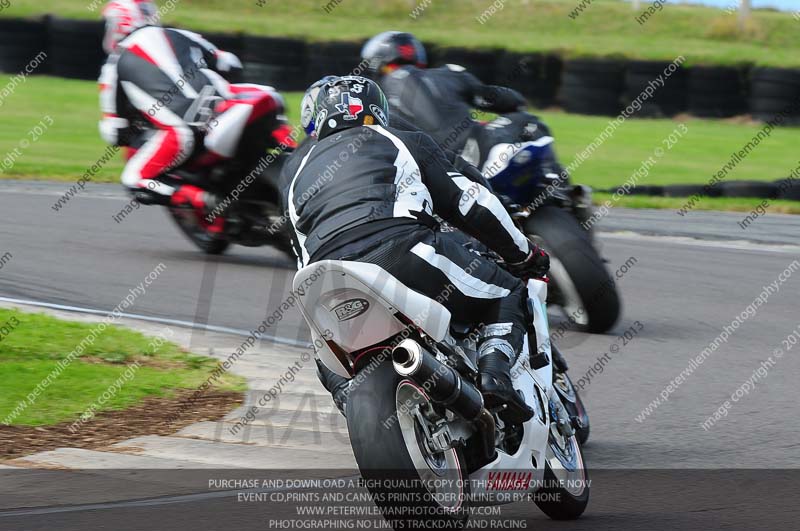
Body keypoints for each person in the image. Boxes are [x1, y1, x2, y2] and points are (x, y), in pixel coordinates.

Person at [284, 76, 550, 423]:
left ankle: (351, 401)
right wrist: (525, 255)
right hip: (401, 249)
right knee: (507, 292)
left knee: (323, 346)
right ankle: (494, 377)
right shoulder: (401, 139)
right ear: (378, 109)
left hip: (324, 276)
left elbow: (300, 251)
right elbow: (469, 203)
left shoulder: (293, 172)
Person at [98, 0, 291, 227]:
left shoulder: (112, 66)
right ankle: (290, 146)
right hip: (224, 107)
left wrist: (128, 130)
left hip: (181, 135)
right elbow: (229, 63)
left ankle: (202, 199)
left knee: (134, 179)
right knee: (264, 93)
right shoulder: (177, 34)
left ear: (117, 23)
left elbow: (115, 131)